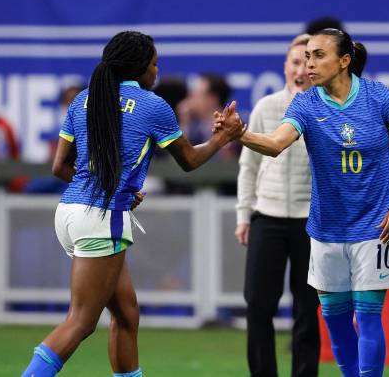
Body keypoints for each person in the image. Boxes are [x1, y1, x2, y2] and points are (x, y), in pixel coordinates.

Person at [20, 30, 239, 377]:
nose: (156, 71)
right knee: (81, 321)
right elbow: (190, 161)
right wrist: (223, 137)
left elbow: (59, 166)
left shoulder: (84, 99)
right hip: (101, 218)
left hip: (69, 212)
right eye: (154, 64)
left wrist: (110, 186)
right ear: (140, 68)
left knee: (126, 314)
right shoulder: (153, 106)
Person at [216, 28, 389, 377]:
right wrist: (241, 135)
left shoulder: (379, 98)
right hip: (326, 229)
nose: (308, 65)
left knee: (369, 316)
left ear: (345, 61)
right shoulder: (306, 103)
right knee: (336, 321)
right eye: (306, 56)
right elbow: (276, 144)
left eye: (318, 56)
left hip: (376, 227)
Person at [235, 34, 319, 377]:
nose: (301, 69)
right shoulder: (266, 107)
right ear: (285, 67)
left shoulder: (323, 108)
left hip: (309, 221)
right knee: (257, 304)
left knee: (307, 308)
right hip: (266, 217)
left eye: (307, 62)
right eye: (295, 62)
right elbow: (248, 166)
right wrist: (244, 215)